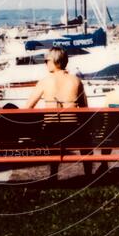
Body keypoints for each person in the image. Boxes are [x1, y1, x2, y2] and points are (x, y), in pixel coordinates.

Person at [25, 46, 89, 180]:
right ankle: (88, 175)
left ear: (55, 61)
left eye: (46, 60)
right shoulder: (76, 81)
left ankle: (53, 174)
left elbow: (27, 108)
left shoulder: (44, 82)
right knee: (85, 135)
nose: (45, 63)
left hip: (50, 134)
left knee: (51, 129)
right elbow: (85, 110)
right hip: (73, 133)